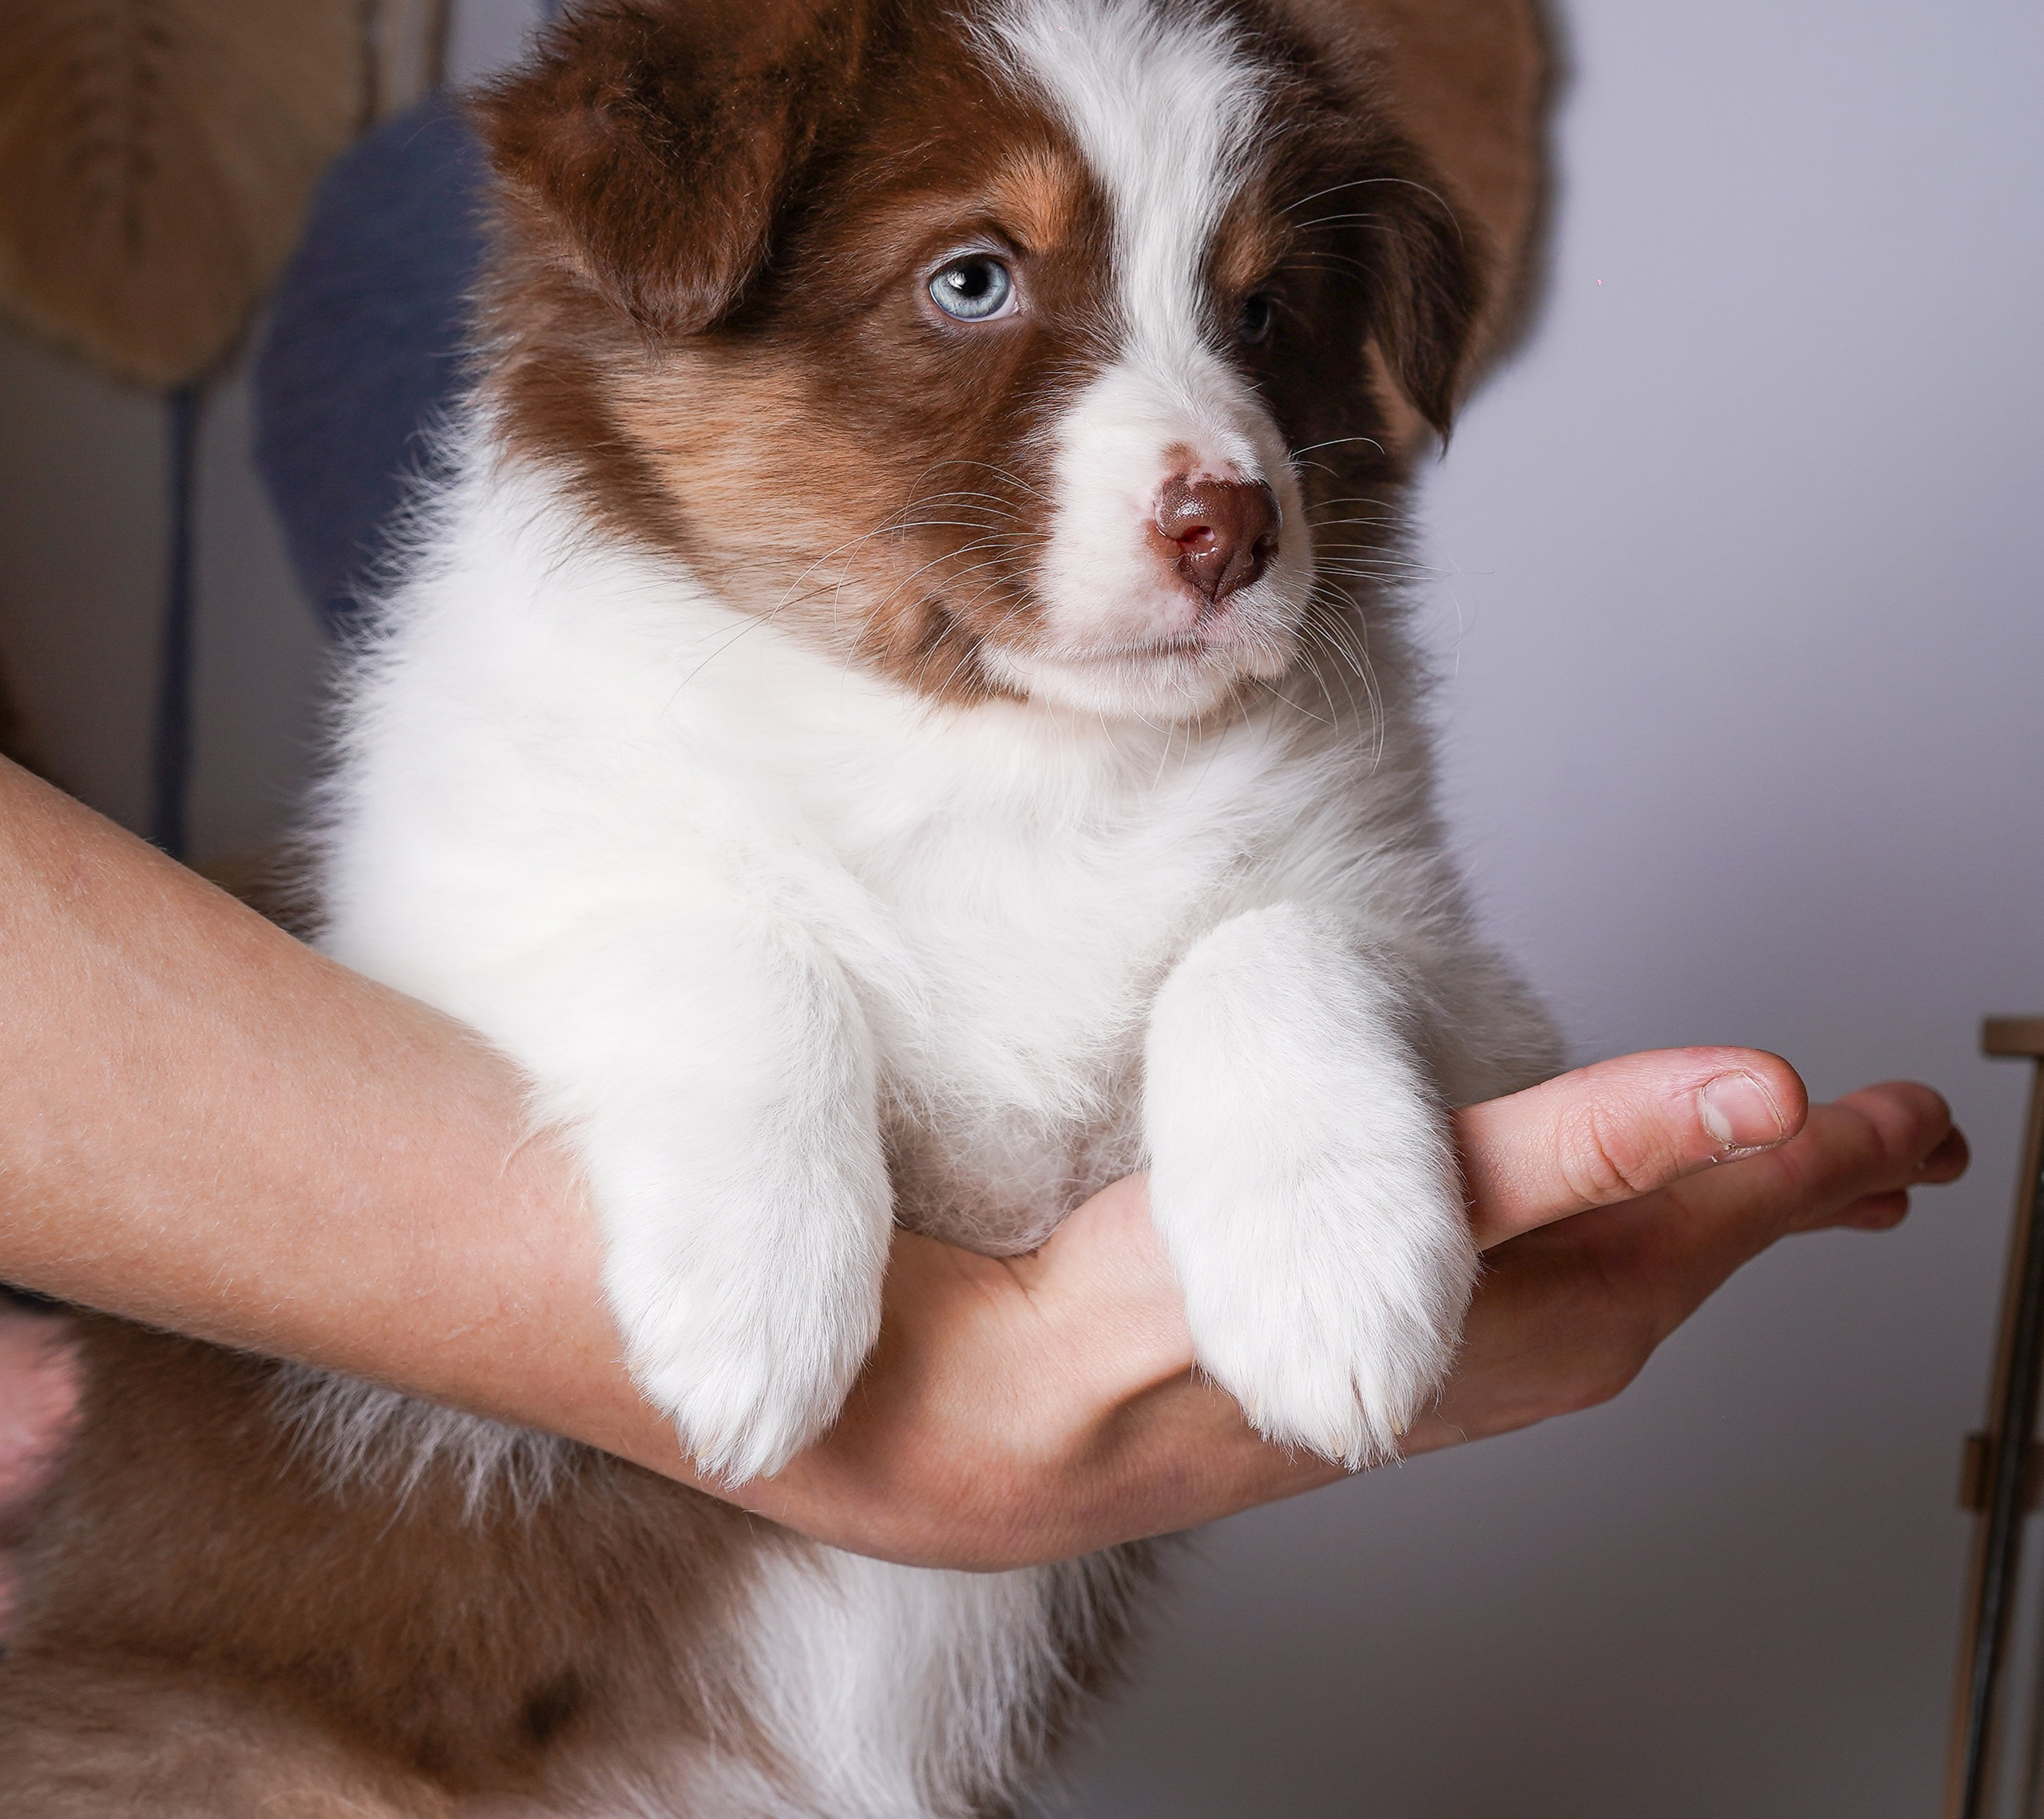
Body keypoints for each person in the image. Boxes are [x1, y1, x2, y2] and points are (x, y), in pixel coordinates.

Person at [0, 754, 1965, 1579]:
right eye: (971, 277)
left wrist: (1286, 1024)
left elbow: (1450, 1041)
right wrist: (970, 1381)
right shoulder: (590, 711)